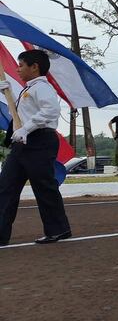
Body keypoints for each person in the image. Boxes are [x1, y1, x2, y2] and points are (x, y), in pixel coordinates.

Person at [0, 50, 71, 245]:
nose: (17, 69)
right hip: (23, 143)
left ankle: (58, 230)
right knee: (5, 186)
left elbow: (51, 111)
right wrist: (9, 94)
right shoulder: (28, 89)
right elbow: (22, 112)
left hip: (39, 141)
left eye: (21, 65)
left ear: (35, 67)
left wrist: (26, 128)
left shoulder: (42, 87)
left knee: (44, 187)